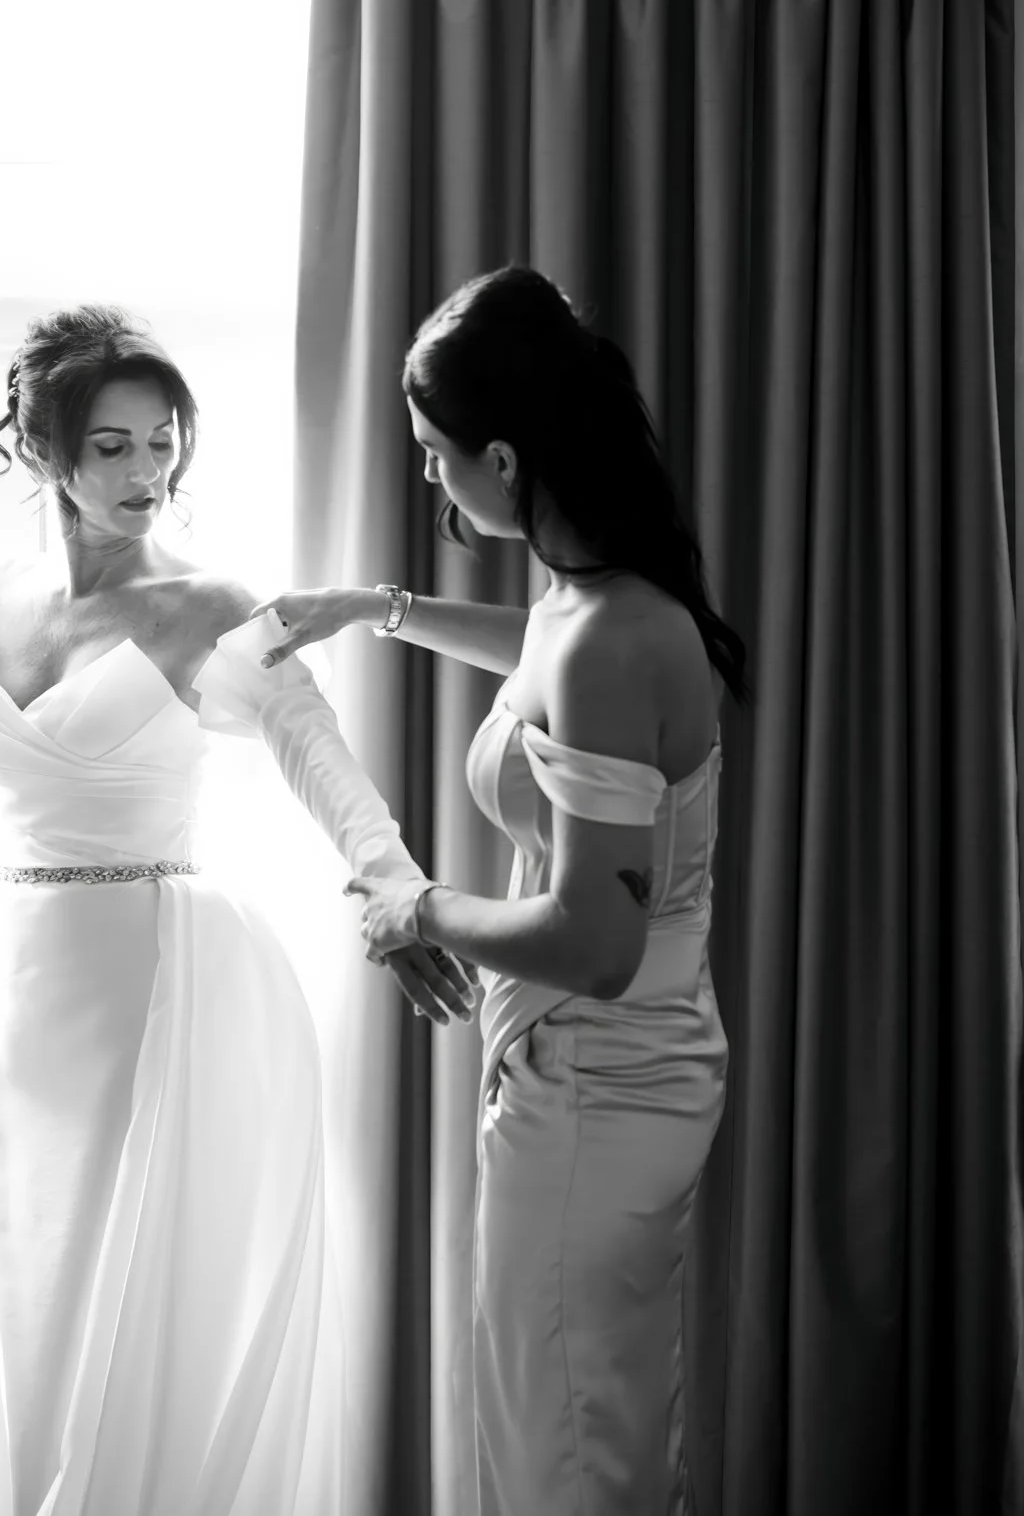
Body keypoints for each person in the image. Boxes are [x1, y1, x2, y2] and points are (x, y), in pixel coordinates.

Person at [0, 306, 471, 1515]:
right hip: (9, 990)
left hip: (153, 983)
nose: (144, 471)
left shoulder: (207, 603)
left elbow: (315, 747)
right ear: (43, 453)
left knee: (115, 1310)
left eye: (162, 441)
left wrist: (393, 882)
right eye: (111, 446)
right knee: (18, 1304)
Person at [258, 265, 747, 1514]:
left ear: (505, 459)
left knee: (565, 1437)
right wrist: (374, 608)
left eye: (436, 454)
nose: (431, 477)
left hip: (598, 1077)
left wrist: (413, 909)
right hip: (609, 1067)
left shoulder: (607, 637)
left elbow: (593, 937)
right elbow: (540, 656)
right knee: (580, 1414)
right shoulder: (594, 596)